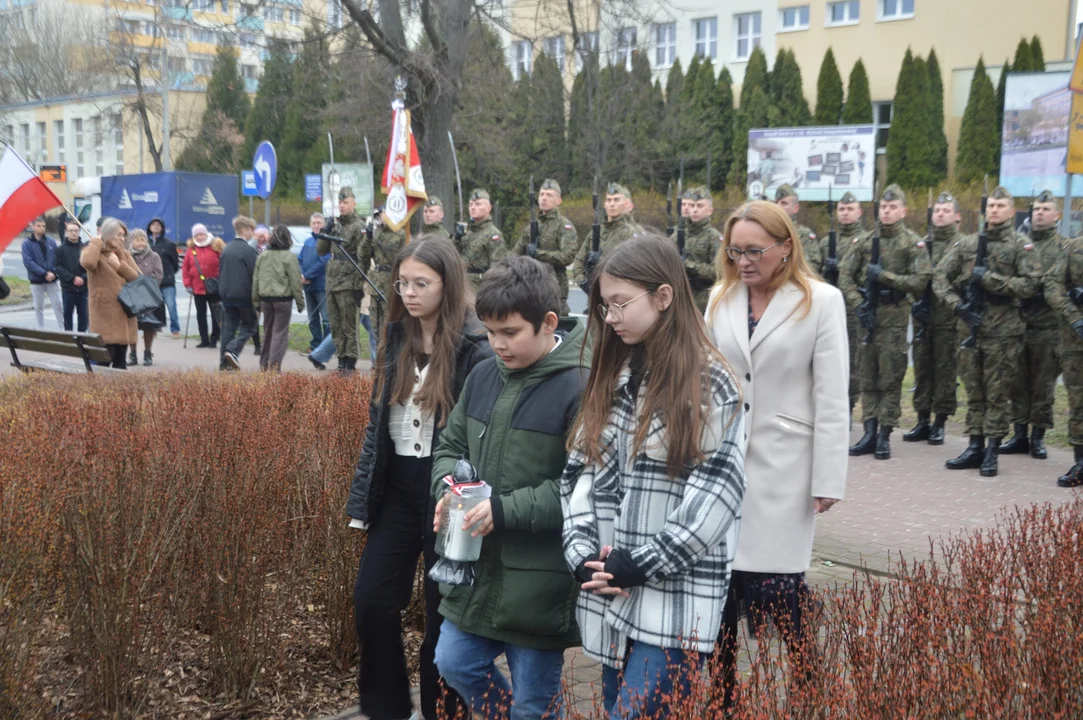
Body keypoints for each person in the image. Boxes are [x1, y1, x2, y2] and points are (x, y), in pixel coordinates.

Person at [562, 234, 745, 719]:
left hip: (674, 604)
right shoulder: (615, 373)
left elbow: (715, 499)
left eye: (621, 303)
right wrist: (582, 556)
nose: (611, 316)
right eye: (604, 306)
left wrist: (641, 563)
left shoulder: (710, 382)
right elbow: (581, 474)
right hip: (609, 598)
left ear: (664, 297)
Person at [705, 201, 849, 709]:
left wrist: (828, 478)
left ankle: (807, 687)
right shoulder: (721, 298)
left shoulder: (821, 301)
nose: (743, 261)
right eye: (734, 250)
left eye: (754, 251)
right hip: (724, 464)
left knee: (779, 588)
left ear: (786, 247)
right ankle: (724, 695)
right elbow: (709, 379)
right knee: (718, 591)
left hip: (787, 467)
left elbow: (832, 396)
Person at [431, 257, 587, 720]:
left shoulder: (580, 386)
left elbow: (582, 488)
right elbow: (449, 445)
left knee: (534, 703)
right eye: (490, 332)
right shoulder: (482, 375)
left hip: (541, 581)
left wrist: (504, 509)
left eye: (511, 333)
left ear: (549, 323)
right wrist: (449, 491)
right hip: (476, 572)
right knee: (454, 663)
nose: (497, 344)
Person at [346, 236, 489, 720]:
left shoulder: (475, 346)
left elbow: (478, 434)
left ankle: (442, 712)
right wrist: (362, 500)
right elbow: (376, 425)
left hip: (446, 488)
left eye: (421, 283)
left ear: (447, 286)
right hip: (397, 490)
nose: (408, 292)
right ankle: (387, 708)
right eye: (403, 282)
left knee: (441, 614)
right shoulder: (395, 336)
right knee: (371, 602)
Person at [933, 186, 1043, 477]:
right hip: (969, 326)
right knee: (974, 391)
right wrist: (958, 307)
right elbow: (939, 278)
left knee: (997, 393)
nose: (994, 210)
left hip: (1003, 331)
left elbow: (1032, 285)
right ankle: (974, 446)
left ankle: (992, 450)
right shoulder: (967, 244)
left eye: (1000, 206)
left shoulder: (1021, 245)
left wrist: (991, 280)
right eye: (991, 205)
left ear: (1011, 210)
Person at [840, 184, 933, 460]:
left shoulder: (912, 243)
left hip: (894, 316)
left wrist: (885, 277)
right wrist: (858, 304)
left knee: (891, 377)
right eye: (883, 207)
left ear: (903, 211)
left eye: (893, 207)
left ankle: (884, 435)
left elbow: (920, 282)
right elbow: (845, 276)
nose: (887, 211)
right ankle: (868, 432)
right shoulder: (865, 242)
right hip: (868, 315)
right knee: (867, 375)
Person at [999, 190, 1064, 460]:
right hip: (1018, 323)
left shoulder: (1063, 247)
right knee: (1017, 380)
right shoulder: (1018, 244)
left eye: (1046, 209)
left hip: (1048, 325)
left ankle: (1038, 436)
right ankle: (1019, 434)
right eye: (1036, 209)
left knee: (1042, 384)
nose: (1039, 213)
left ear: (1057, 216)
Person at [905, 193, 962, 445]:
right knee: (922, 368)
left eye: (946, 210)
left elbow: (963, 281)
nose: (940, 214)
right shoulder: (921, 244)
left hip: (948, 318)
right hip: (923, 318)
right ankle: (922, 420)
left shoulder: (963, 245)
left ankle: (940, 422)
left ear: (957, 216)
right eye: (937, 210)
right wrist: (913, 304)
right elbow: (909, 278)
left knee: (945, 370)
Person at [822, 192, 865, 418]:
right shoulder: (826, 242)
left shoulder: (867, 241)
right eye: (841, 209)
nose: (845, 213)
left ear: (859, 212)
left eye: (850, 209)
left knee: (852, 358)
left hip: (852, 309)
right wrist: (825, 272)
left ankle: (848, 406)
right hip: (827, 309)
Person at [1045, 230, 1083, 486]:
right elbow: (1052, 284)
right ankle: (1081, 462)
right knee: (1079, 398)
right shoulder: (1073, 247)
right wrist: (1074, 316)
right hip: (1076, 338)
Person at [318, 187, 367, 373]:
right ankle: (341, 358)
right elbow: (321, 250)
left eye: (345, 202)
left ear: (354, 203)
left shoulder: (358, 226)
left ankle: (350, 361)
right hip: (332, 281)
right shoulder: (336, 225)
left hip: (349, 281)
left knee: (349, 326)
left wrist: (358, 284)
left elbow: (362, 257)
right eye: (340, 202)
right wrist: (326, 230)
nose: (342, 206)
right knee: (336, 325)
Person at [511, 178, 578, 316]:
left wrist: (538, 253)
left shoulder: (564, 226)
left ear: (558, 201)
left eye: (549, 195)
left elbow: (567, 256)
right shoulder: (532, 226)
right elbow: (515, 254)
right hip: (531, 285)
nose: (544, 198)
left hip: (554, 285)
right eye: (541, 194)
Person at [80, 218, 139, 369]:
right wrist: (97, 242)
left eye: (123, 235)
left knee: (120, 362)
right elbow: (88, 263)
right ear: (108, 233)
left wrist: (119, 266)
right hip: (103, 316)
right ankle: (102, 392)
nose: (122, 238)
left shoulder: (124, 254)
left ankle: (119, 393)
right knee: (103, 361)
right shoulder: (94, 252)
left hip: (123, 313)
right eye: (118, 234)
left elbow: (136, 278)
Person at [571, 183, 645, 294]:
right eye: (608, 200)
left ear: (626, 204)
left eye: (616, 200)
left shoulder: (633, 233)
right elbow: (578, 262)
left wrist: (600, 261)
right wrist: (585, 284)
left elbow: (635, 268)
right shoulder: (597, 231)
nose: (611, 204)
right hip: (594, 297)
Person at [252, 225, 305, 372]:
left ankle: (264, 365)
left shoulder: (262, 256)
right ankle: (274, 367)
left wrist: (256, 301)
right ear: (287, 239)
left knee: (268, 331)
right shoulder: (289, 257)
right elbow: (295, 281)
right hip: (283, 300)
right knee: (279, 333)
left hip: (266, 299)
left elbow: (256, 280)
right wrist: (300, 302)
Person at [359, 208, 407, 347]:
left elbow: (403, 258)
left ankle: (391, 363)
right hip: (376, 285)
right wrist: (367, 238)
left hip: (391, 284)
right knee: (376, 328)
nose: (382, 216)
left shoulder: (401, 234)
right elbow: (363, 255)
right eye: (381, 214)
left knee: (391, 326)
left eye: (384, 213)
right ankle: (379, 364)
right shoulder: (376, 233)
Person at [218, 216, 260, 371]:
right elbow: (255, 275)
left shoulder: (226, 249)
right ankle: (233, 351)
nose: (253, 233)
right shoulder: (249, 251)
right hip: (244, 296)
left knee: (228, 330)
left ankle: (224, 364)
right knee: (250, 326)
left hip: (227, 295)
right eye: (251, 229)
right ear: (244, 230)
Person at [671, 186, 722, 313]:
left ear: (710, 211)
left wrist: (690, 265)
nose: (694, 210)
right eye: (692, 206)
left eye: (699, 206)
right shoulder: (679, 233)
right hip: (680, 295)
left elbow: (718, 272)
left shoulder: (713, 237)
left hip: (702, 299)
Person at [182, 223, 225, 349]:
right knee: (201, 314)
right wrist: (187, 285)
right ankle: (204, 339)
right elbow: (185, 268)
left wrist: (222, 280)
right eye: (197, 235)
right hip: (197, 287)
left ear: (206, 234)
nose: (200, 237)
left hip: (215, 287)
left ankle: (214, 338)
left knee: (216, 313)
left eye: (202, 234)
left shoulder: (216, 247)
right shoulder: (191, 250)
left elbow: (224, 264)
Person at [456, 189, 506, 291]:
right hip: (462, 286)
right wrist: (456, 239)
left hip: (480, 289)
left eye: (478, 204)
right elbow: (452, 256)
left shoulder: (493, 235)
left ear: (488, 208)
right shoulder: (467, 233)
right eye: (471, 205)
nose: (473, 207)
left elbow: (498, 270)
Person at [128, 229, 164, 366]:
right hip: (132, 296)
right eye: (137, 240)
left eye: (143, 240)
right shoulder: (128, 256)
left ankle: (148, 353)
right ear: (132, 242)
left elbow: (159, 274)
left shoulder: (154, 256)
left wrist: (147, 284)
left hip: (149, 296)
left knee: (149, 326)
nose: (141, 243)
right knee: (132, 326)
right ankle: (132, 354)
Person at [22, 216, 64, 329]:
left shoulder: (50, 241)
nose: (42, 228)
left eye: (44, 226)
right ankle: (41, 329)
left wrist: (53, 273)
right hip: (37, 280)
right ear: (33, 226)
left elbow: (57, 259)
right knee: (38, 307)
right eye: (39, 226)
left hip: (52, 280)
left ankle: (63, 329)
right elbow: (28, 262)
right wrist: (44, 273)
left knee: (58, 304)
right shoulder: (27, 243)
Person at [299, 212, 331, 351]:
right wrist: (301, 274)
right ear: (310, 225)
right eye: (314, 223)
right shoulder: (307, 242)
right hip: (308, 286)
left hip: (321, 285)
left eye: (319, 223)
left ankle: (326, 347)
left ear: (323, 225)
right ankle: (315, 344)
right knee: (312, 318)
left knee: (326, 318)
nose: (316, 225)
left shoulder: (326, 242)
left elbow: (324, 262)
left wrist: (307, 275)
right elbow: (300, 259)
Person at [775, 184, 824, 276]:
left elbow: (812, 267)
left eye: (784, 203)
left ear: (795, 208)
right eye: (776, 202)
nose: (778, 207)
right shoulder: (768, 232)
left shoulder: (804, 235)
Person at [148, 217, 182, 337]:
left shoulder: (169, 244)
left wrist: (169, 273)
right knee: (154, 307)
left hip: (167, 281)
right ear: (149, 227)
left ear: (162, 228)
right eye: (153, 224)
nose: (156, 226)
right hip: (152, 281)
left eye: (158, 225)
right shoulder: (146, 244)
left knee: (171, 305)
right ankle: (155, 328)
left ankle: (175, 329)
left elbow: (175, 263)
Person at [54, 221, 89, 332]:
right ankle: (69, 340)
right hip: (68, 288)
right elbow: (58, 267)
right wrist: (72, 278)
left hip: (83, 289)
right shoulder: (60, 249)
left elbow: (90, 266)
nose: (74, 233)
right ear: (66, 232)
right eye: (71, 231)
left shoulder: (85, 248)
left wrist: (83, 278)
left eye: (76, 231)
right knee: (68, 316)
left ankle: (82, 340)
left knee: (83, 316)